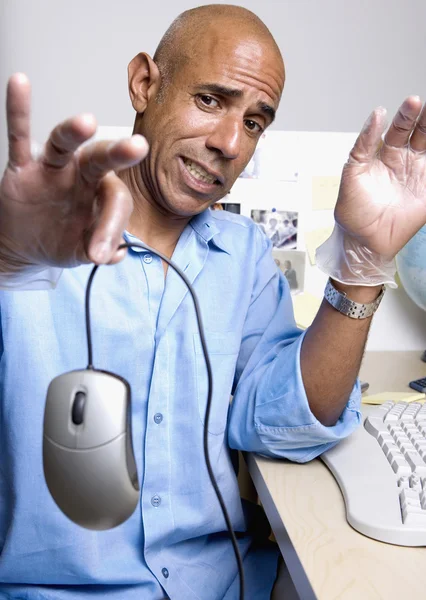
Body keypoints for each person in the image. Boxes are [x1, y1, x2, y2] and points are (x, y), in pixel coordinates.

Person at [1, 4, 426, 599]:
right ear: (144, 83)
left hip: (226, 584)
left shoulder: (243, 251)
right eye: (210, 100)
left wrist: (362, 264)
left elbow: (280, 425)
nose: (230, 142)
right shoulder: (30, 240)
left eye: (255, 122)